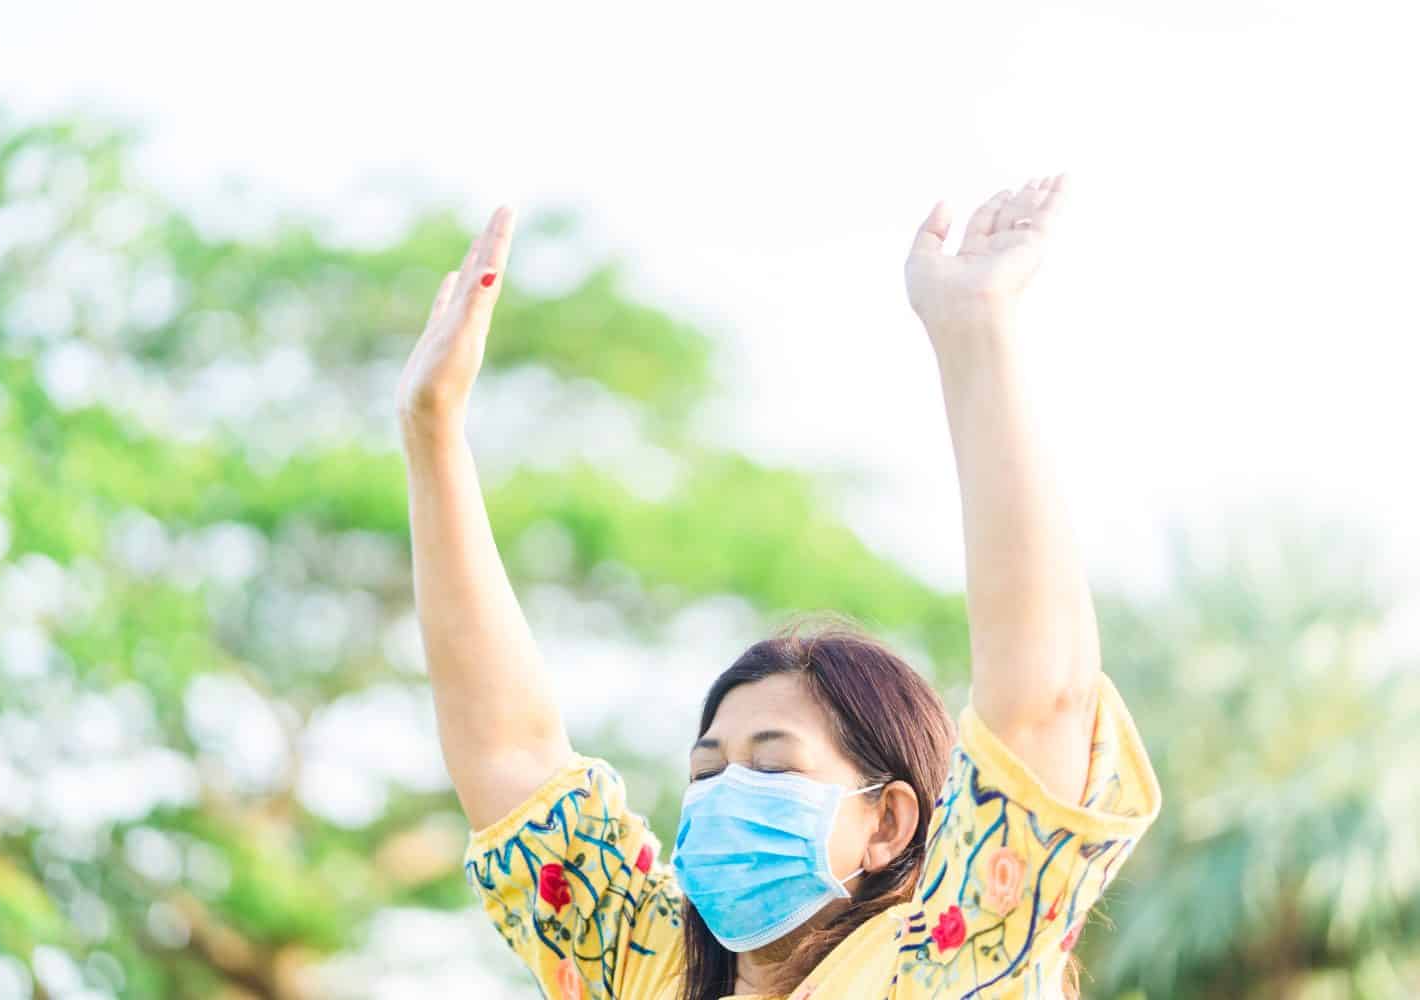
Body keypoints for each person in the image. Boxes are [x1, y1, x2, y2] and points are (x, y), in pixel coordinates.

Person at [396, 175, 1162, 1000]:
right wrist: (431, 430)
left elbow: (1043, 703)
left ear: (889, 821)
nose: (727, 799)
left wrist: (976, 330)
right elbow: (510, 754)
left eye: (772, 768)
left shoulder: (943, 963)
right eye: (707, 773)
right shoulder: (653, 973)